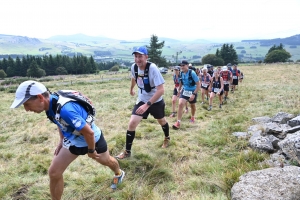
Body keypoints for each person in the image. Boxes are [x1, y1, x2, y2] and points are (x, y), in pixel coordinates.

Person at [10, 80, 125, 199]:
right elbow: (58, 121)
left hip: (92, 140)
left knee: (106, 161)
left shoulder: (66, 110)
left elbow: (89, 133)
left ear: (40, 97)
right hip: (73, 140)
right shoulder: (50, 104)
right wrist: (61, 140)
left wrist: (91, 151)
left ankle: (119, 173)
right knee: (54, 173)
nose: (26, 109)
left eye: (27, 104)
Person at [115, 46, 170, 159]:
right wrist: (131, 89)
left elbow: (161, 90)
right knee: (132, 123)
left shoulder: (152, 68)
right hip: (142, 99)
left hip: (155, 100)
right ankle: (127, 152)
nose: (138, 59)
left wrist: (147, 105)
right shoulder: (134, 67)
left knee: (162, 121)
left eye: (140, 56)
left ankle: (167, 137)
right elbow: (134, 78)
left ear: (146, 57)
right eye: (136, 56)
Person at [172, 60, 200, 129]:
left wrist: (193, 94)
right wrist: (179, 90)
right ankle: (178, 122)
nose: (182, 67)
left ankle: (192, 117)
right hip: (185, 90)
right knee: (181, 104)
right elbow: (181, 81)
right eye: (181, 65)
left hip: (193, 90)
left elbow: (198, 84)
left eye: (183, 65)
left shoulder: (192, 73)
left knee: (192, 105)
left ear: (187, 65)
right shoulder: (181, 73)